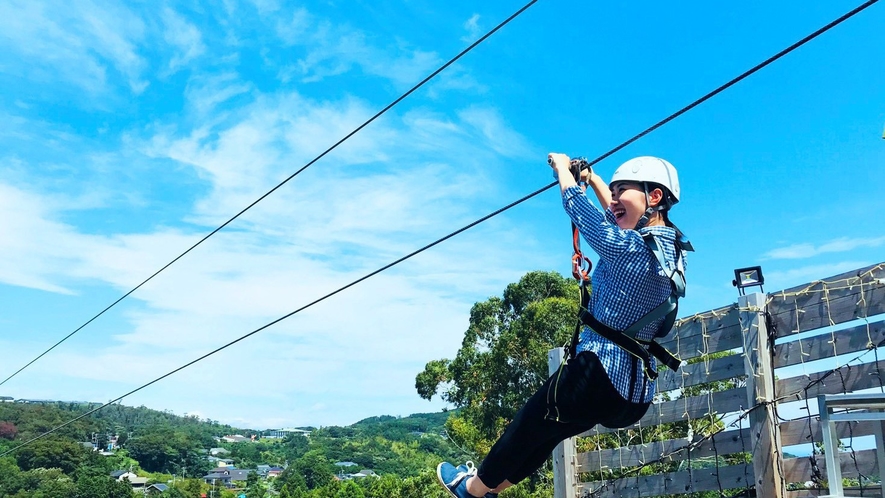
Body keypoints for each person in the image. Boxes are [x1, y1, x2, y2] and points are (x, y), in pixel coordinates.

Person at [436, 154, 691, 498]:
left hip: (597, 374)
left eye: (622, 191)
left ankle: (471, 488)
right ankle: (493, 489)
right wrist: (594, 177)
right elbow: (621, 218)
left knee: (528, 423)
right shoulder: (673, 248)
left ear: (655, 197)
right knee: (549, 432)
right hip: (633, 395)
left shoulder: (627, 247)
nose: (613, 199)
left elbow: (586, 216)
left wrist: (563, 173)